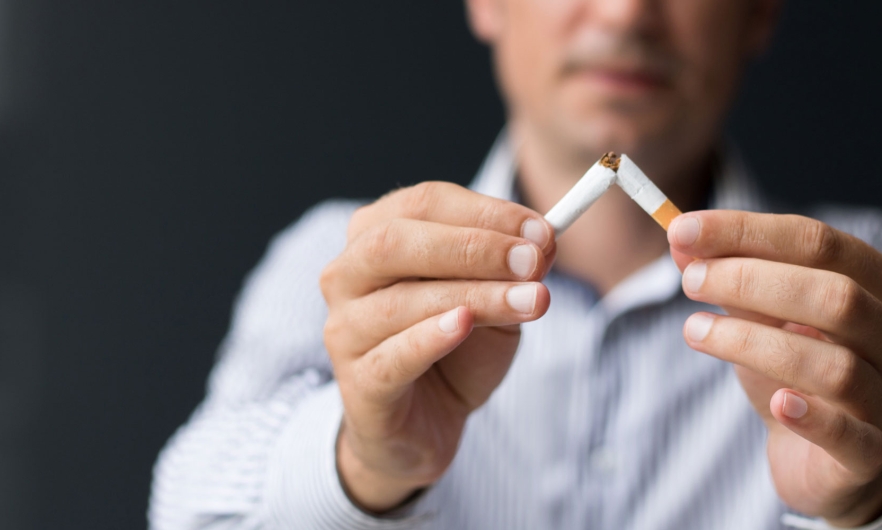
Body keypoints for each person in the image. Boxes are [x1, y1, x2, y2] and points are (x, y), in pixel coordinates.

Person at [149, 1, 882, 528]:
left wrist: (859, 510)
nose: (627, 14)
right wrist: (362, 465)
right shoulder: (340, 263)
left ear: (760, 14)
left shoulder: (865, 298)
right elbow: (188, 509)